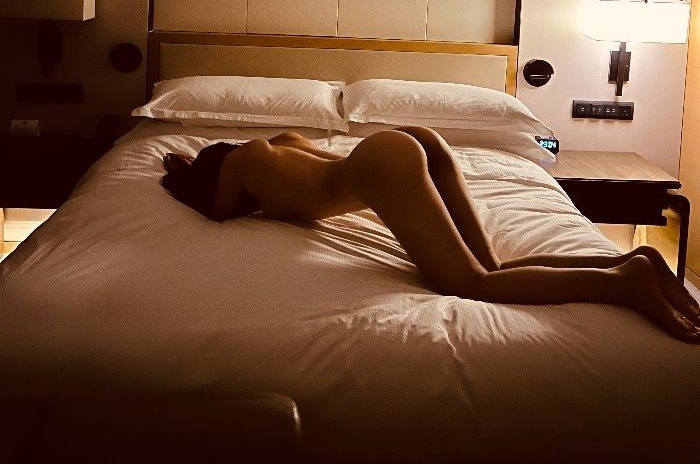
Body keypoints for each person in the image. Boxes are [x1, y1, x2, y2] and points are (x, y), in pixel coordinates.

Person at [162, 126, 700, 342]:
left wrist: (184, 169)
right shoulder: (278, 143)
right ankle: (631, 262)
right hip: (406, 143)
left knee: (470, 284)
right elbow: (318, 166)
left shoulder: (241, 163)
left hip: (382, 166)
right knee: (491, 269)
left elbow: (216, 212)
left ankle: (623, 283)